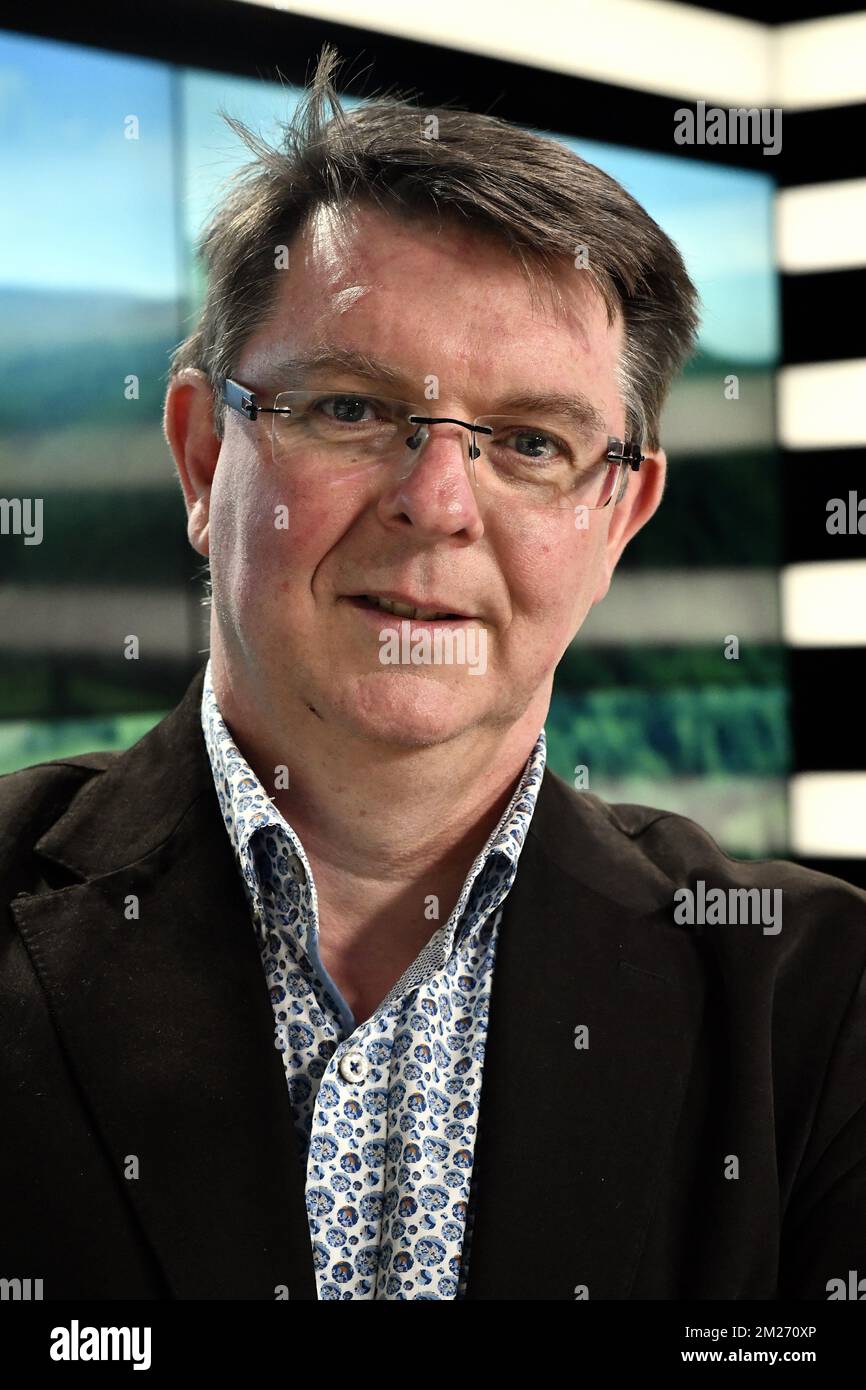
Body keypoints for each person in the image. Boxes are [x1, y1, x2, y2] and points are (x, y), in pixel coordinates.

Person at [1, 44, 864, 1302]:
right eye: (348, 409)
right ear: (201, 458)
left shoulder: (817, 996)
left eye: (528, 440)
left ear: (621, 517)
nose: (436, 503)